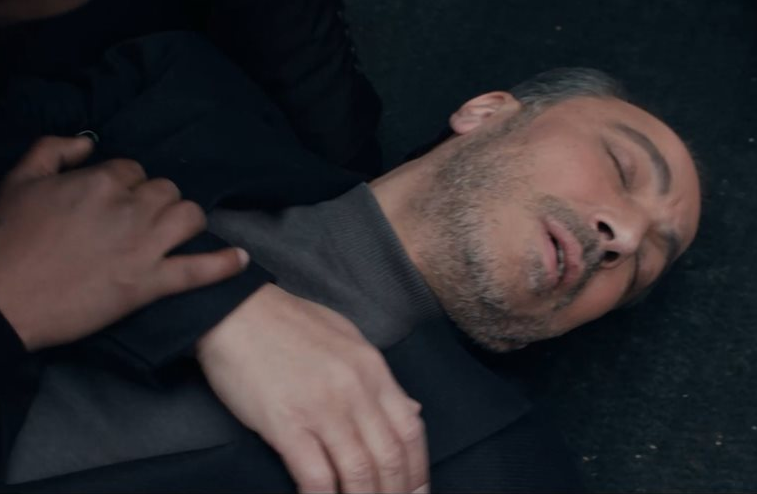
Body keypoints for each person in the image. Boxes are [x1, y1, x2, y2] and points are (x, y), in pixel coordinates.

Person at [0, 31, 700, 493]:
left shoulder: (505, 470)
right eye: (621, 167)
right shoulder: (180, 95)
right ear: (488, 112)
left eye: (641, 266)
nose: (624, 235)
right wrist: (219, 310)